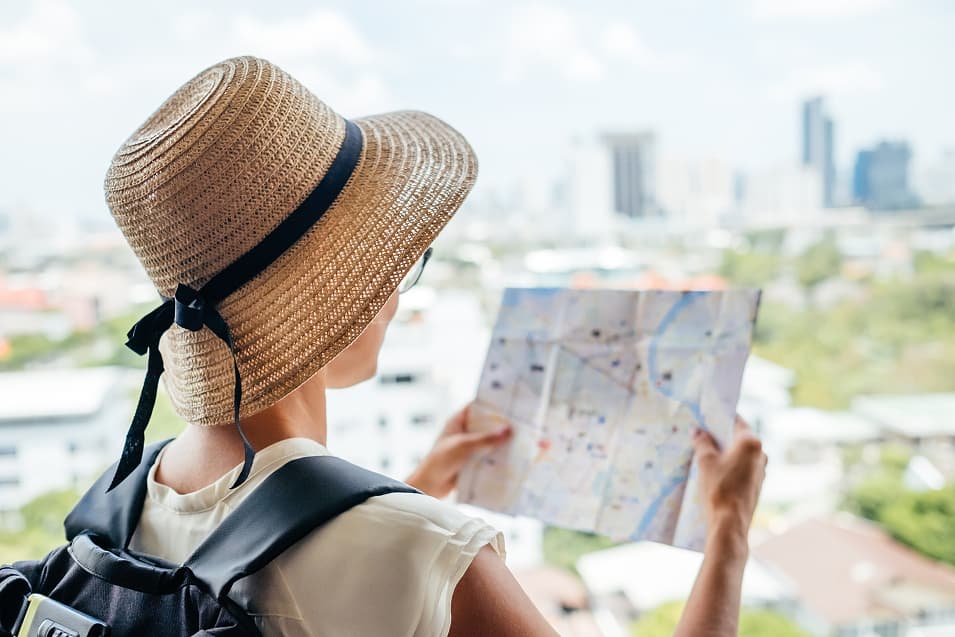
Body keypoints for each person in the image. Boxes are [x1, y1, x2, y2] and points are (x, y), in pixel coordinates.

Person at [105, 55, 767, 636]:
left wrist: (408, 490)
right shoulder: (429, 554)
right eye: (395, 266)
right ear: (346, 294)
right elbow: (378, 572)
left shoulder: (121, 508)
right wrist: (728, 531)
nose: (396, 296)